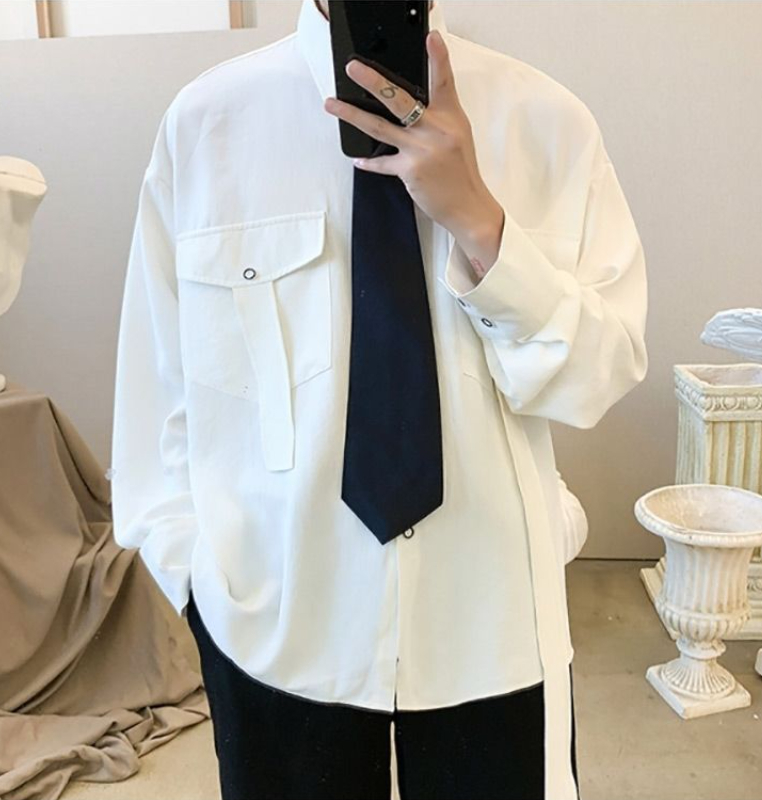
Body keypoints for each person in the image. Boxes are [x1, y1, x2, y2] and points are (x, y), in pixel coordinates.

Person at [110, 1, 648, 798]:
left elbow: (600, 374)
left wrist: (483, 226)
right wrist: (194, 579)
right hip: (275, 623)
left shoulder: (547, 122)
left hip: (494, 622)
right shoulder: (206, 126)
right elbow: (160, 385)